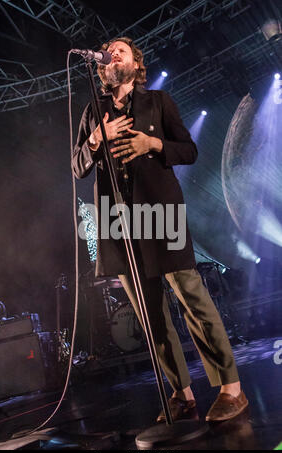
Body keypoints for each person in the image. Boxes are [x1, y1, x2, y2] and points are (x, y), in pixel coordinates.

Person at [72, 37, 248, 422]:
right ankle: (181, 395)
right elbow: (77, 167)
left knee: (191, 297)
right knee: (148, 314)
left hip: (160, 211)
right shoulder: (93, 110)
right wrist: (96, 138)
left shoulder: (158, 102)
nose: (111, 54)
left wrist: (152, 142)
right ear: (101, 68)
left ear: (136, 63)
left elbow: (188, 150)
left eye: (120, 50)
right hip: (118, 221)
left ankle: (231, 389)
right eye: (108, 53)